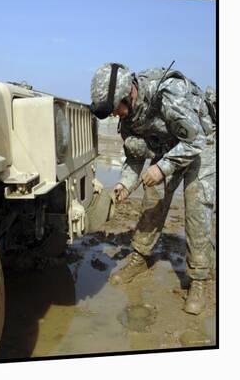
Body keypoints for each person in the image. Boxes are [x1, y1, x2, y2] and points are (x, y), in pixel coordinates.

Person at [89, 63, 216, 315]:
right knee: (152, 198)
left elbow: (195, 141)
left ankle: (199, 278)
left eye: (115, 109)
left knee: (196, 204)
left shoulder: (169, 93)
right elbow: (135, 156)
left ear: (129, 93)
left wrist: (162, 168)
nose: (115, 114)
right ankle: (140, 256)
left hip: (200, 145)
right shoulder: (128, 116)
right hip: (169, 148)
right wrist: (125, 184)